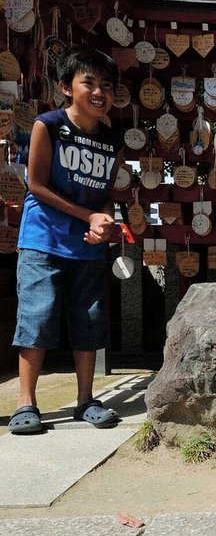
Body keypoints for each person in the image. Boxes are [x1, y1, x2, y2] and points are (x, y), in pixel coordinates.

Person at [9, 46, 125, 434]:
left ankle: (86, 400)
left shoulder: (111, 138)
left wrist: (104, 220)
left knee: (88, 320)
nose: (99, 92)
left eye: (106, 85)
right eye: (88, 82)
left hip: (87, 246)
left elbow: (104, 192)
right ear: (65, 87)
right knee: (37, 316)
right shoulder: (48, 125)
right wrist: (87, 215)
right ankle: (27, 403)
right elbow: (36, 186)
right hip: (43, 239)